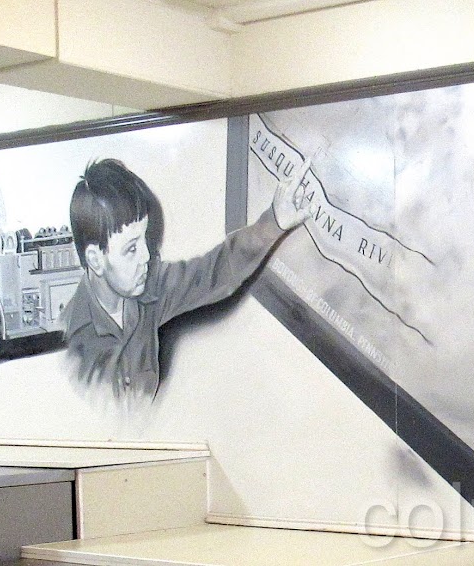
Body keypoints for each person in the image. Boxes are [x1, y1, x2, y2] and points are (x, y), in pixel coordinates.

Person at [64, 158, 308, 410]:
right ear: (96, 260)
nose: (146, 256)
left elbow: (214, 271)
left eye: (144, 240)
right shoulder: (79, 348)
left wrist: (273, 223)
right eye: (131, 249)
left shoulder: (148, 286)